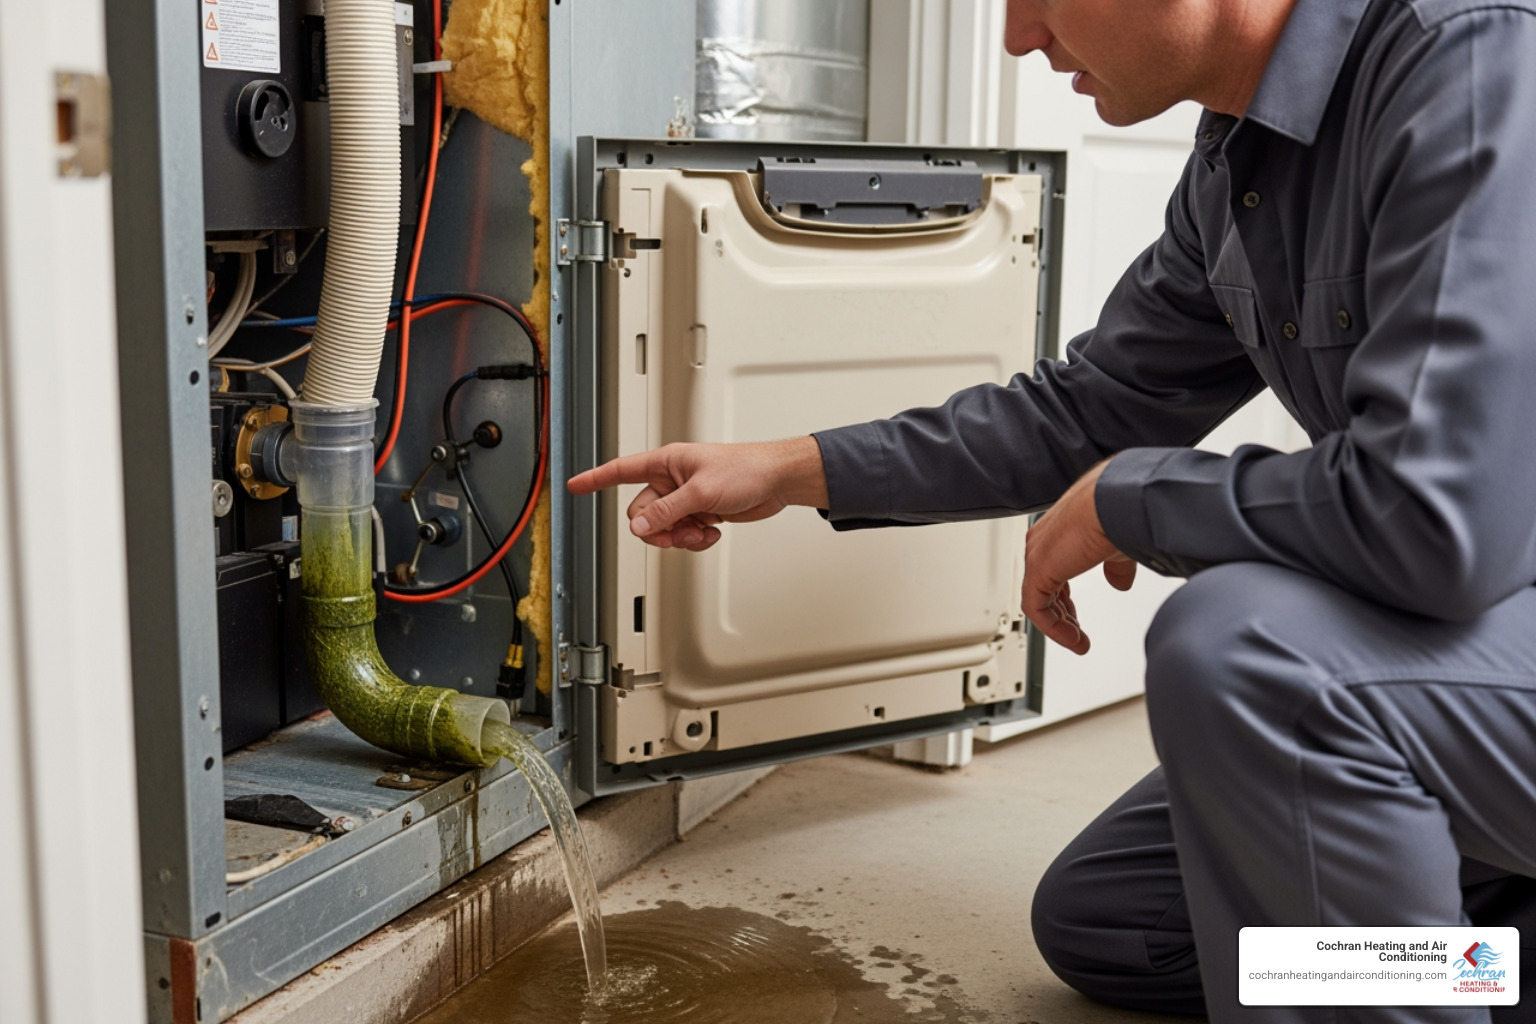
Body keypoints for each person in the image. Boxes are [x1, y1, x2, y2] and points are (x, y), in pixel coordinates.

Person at [568, 0, 1536, 1019]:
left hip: (1494, 606)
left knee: (1250, 652)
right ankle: (1477, 968)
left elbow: (1440, 522)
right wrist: (790, 468)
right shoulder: (1238, 166)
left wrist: (1137, 497)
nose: (1018, 36)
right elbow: (1089, 409)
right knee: (1121, 919)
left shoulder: (1472, 60)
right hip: (1482, 645)